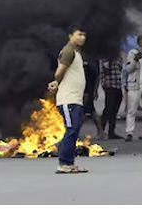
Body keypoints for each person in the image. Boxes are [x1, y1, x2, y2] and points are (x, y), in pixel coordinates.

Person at [46, 26, 88, 174]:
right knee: (71, 130)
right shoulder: (68, 50)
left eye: (84, 35)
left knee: (74, 131)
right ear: (71, 36)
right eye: (79, 34)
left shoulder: (76, 52)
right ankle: (63, 163)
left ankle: (69, 163)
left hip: (75, 99)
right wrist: (55, 82)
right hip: (68, 99)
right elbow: (60, 70)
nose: (82, 37)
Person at [100, 51, 124, 140]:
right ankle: (101, 130)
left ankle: (111, 132)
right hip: (109, 85)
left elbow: (120, 69)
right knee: (108, 109)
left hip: (117, 85)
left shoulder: (118, 57)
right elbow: (106, 69)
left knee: (114, 109)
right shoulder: (105, 57)